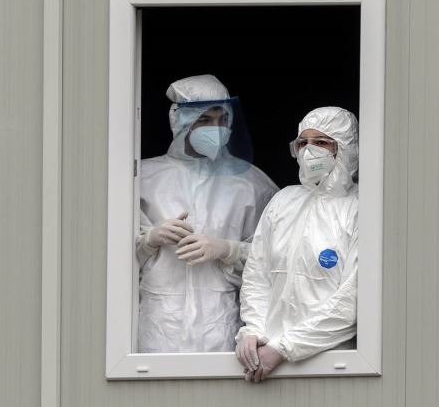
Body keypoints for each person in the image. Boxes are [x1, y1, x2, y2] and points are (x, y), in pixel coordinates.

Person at [136, 74, 278, 353]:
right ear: (180, 121)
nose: (216, 129)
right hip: (159, 326)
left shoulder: (252, 183)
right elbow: (107, 258)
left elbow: (277, 259)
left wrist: (229, 249)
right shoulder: (142, 178)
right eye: (204, 120)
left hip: (221, 324)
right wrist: (148, 240)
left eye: (222, 120)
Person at [235, 106, 359, 382]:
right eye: (303, 143)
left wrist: (285, 348)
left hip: (333, 364)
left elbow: (351, 300)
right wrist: (254, 330)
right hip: (268, 361)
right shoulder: (284, 201)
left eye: (321, 142)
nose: (309, 151)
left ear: (345, 148)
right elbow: (257, 276)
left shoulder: (359, 207)